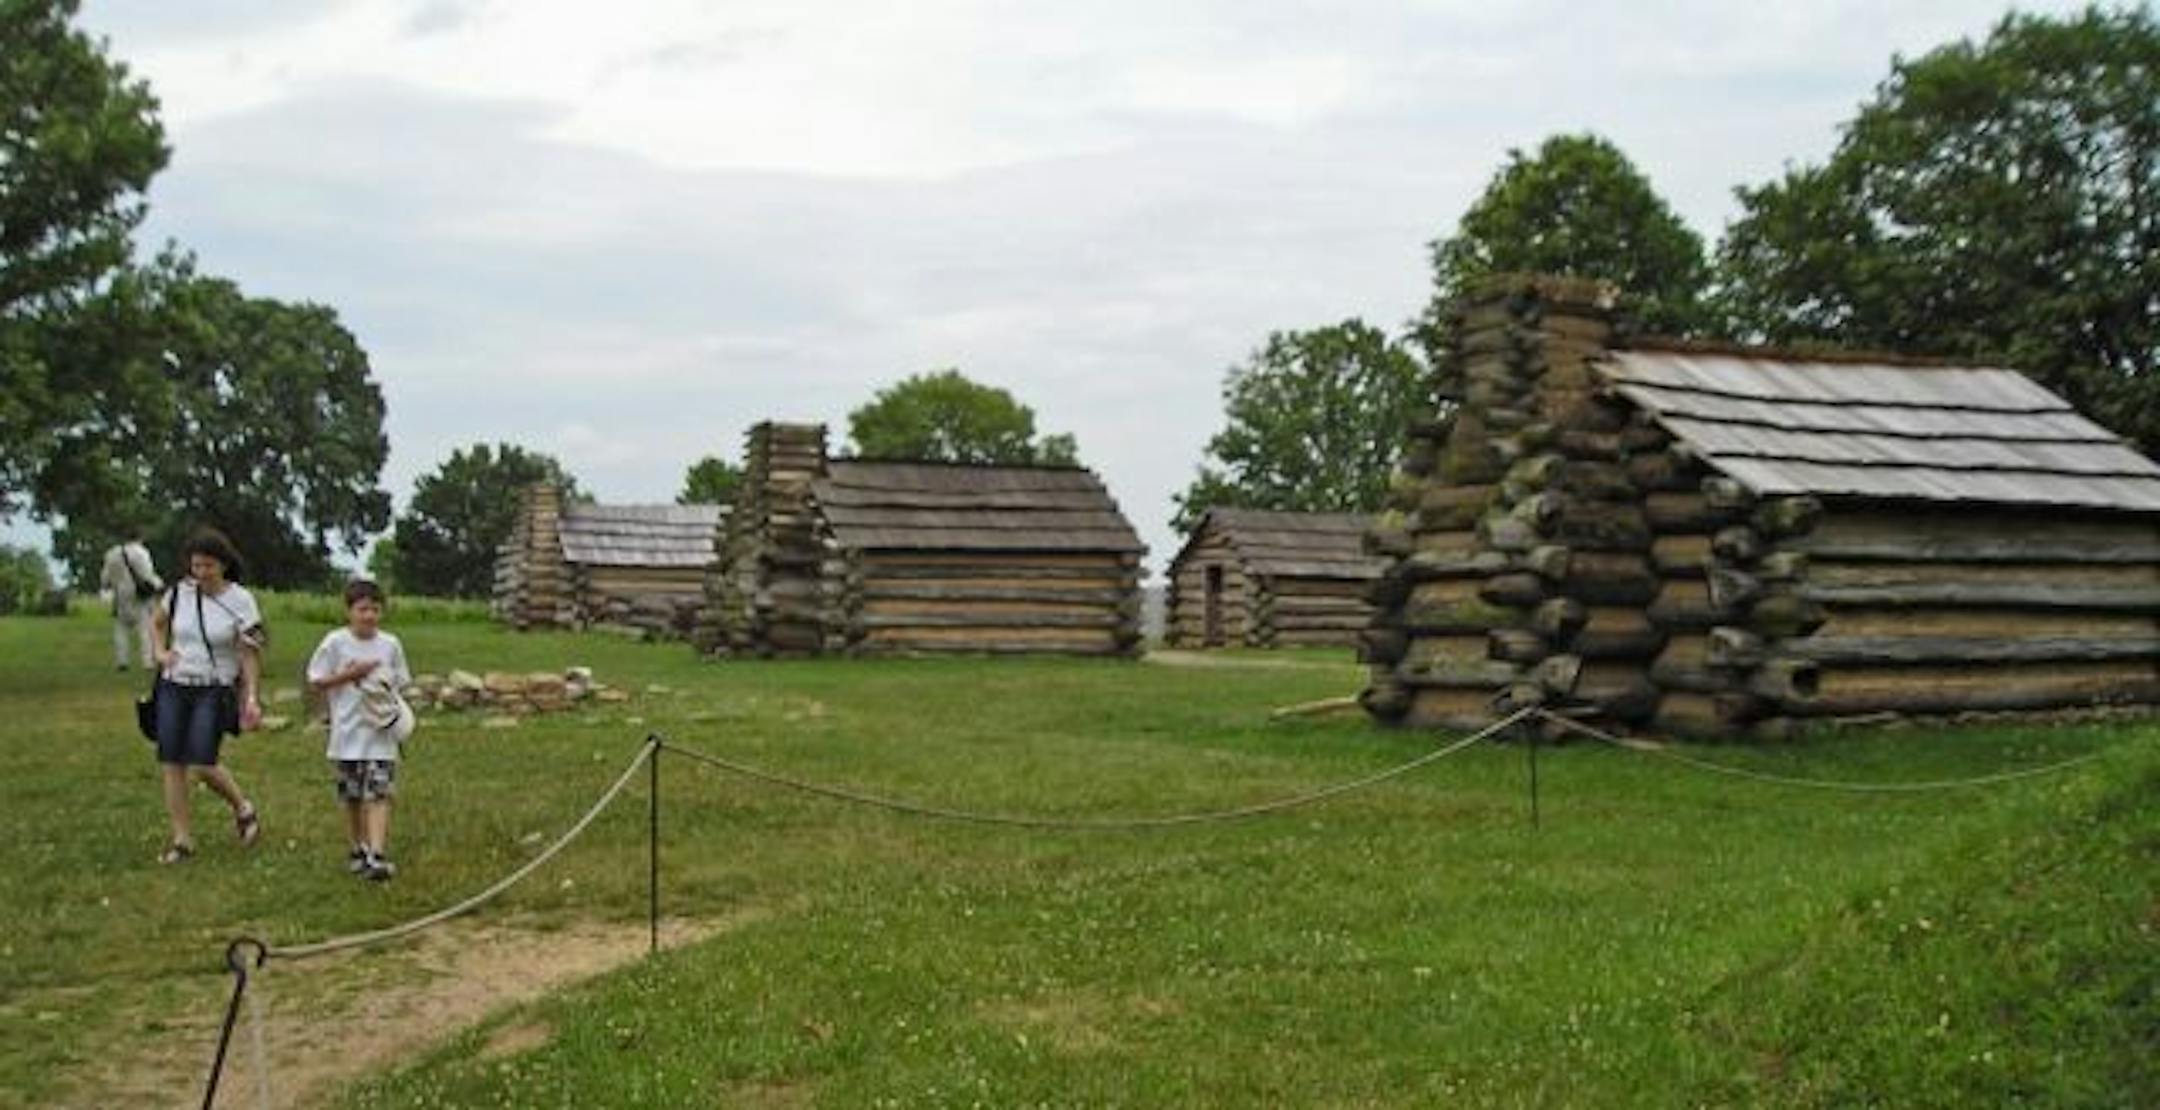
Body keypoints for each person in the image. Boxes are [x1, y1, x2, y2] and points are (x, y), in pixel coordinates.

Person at [148, 529, 265, 864]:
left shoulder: (241, 600)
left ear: (223, 565)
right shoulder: (179, 593)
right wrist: (160, 652)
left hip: (214, 686)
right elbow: (156, 622)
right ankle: (182, 838)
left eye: (208, 566)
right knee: (172, 760)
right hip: (175, 682)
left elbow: (249, 652)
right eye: (195, 566)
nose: (200, 573)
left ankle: (242, 807)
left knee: (202, 761)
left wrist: (251, 696)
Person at [306, 578, 412, 881]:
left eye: (375, 610)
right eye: (363, 609)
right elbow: (317, 680)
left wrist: (383, 689)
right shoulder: (334, 643)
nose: (369, 616)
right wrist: (351, 674)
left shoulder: (390, 644)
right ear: (349, 611)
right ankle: (357, 848)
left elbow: (402, 681)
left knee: (379, 792)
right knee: (352, 795)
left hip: (379, 733)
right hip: (347, 734)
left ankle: (377, 854)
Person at [99, 538, 163, 670]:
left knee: (120, 628)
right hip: (139, 594)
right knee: (144, 627)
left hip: (120, 595)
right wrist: (158, 584)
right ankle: (147, 661)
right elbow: (148, 575)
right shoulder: (141, 552)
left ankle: (122, 661)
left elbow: (105, 578)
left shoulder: (111, 554)